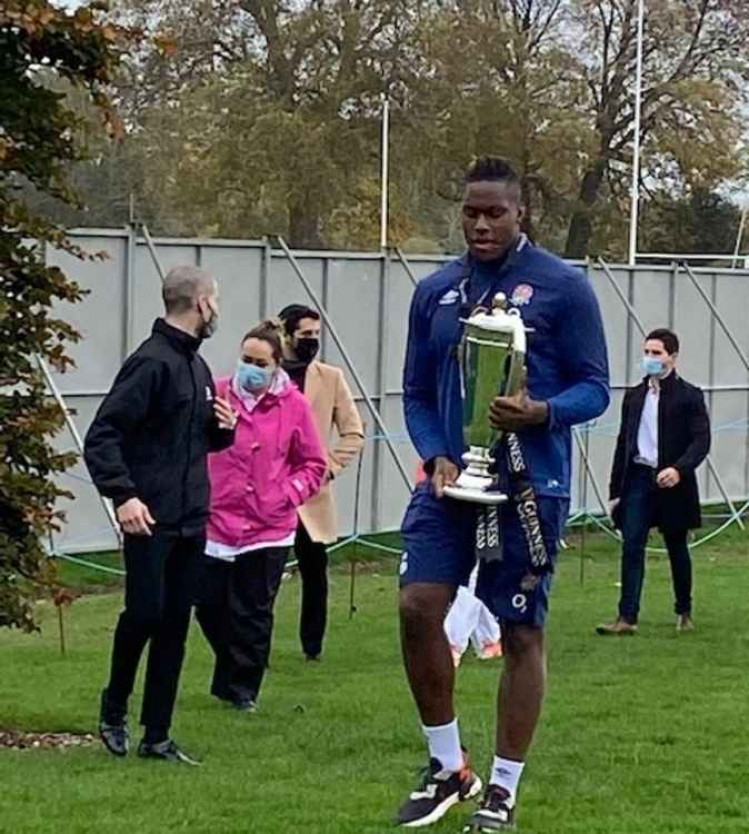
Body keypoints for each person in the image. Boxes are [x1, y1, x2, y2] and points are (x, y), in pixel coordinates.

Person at [396, 156, 610, 831]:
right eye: (471, 212)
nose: (481, 224)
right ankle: (446, 766)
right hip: (451, 480)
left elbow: (596, 387)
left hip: (528, 484)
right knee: (416, 605)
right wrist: (434, 453)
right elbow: (414, 389)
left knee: (519, 631)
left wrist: (541, 412)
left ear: (521, 215)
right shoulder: (435, 290)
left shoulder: (562, 288)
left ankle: (503, 788)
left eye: (495, 213)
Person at [84, 265, 237, 764]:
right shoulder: (151, 363)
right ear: (200, 304)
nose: (217, 309)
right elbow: (102, 435)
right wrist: (123, 495)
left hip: (192, 518)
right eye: (215, 300)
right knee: (145, 613)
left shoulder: (197, 367)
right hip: (149, 516)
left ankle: (158, 734)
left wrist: (224, 429)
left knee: (174, 624)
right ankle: (113, 708)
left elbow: (192, 441)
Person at [194, 322, 326, 710]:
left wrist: (288, 494)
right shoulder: (216, 394)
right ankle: (230, 671)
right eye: (245, 360)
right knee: (208, 604)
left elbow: (312, 463)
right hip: (216, 521)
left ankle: (243, 691)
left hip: (269, 526)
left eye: (259, 362)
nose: (250, 368)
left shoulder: (294, 405)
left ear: (275, 366)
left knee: (252, 611)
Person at [596, 329, 710, 636]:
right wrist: (615, 491)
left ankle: (683, 609)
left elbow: (701, 441)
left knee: (676, 545)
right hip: (638, 478)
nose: (650, 358)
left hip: (673, 481)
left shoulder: (689, 396)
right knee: (632, 544)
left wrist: (679, 469)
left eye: (657, 353)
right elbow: (623, 443)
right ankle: (626, 616)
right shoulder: (634, 397)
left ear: (672, 357)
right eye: (647, 352)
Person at [278, 304, 364, 661]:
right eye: (305, 335)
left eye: (316, 335)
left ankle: (312, 646)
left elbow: (354, 432)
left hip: (311, 492)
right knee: (261, 575)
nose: (312, 342)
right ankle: (252, 648)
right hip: (269, 491)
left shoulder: (330, 377)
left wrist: (326, 468)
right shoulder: (267, 371)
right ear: (286, 334)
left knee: (315, 571)